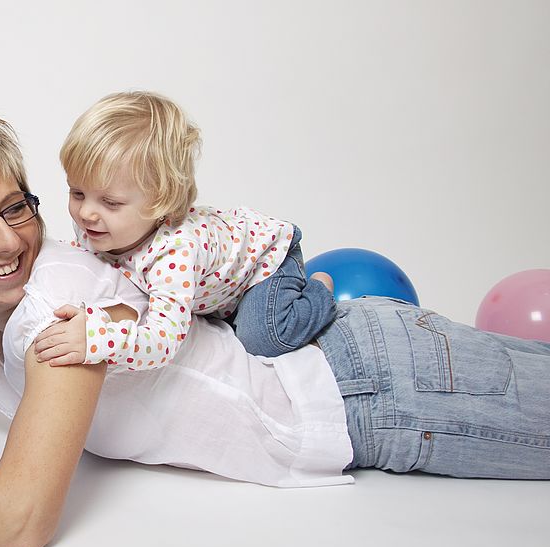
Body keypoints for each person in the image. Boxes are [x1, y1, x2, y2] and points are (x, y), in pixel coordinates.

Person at [0, 111, 550, 547]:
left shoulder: (57, 309)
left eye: (14, 207)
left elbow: (19, 520)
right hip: (357, 382)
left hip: (378, 389)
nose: (6, 241)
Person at [33, 90, 336, 370]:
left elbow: (163, 344)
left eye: (110, 202)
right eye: (77, 193)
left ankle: (320, 289)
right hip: (218, 285)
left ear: (160, 203)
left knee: (261, 339)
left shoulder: (174, 252)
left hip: (264, 264)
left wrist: (101, 340)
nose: (86, 213)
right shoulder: (96, 224)